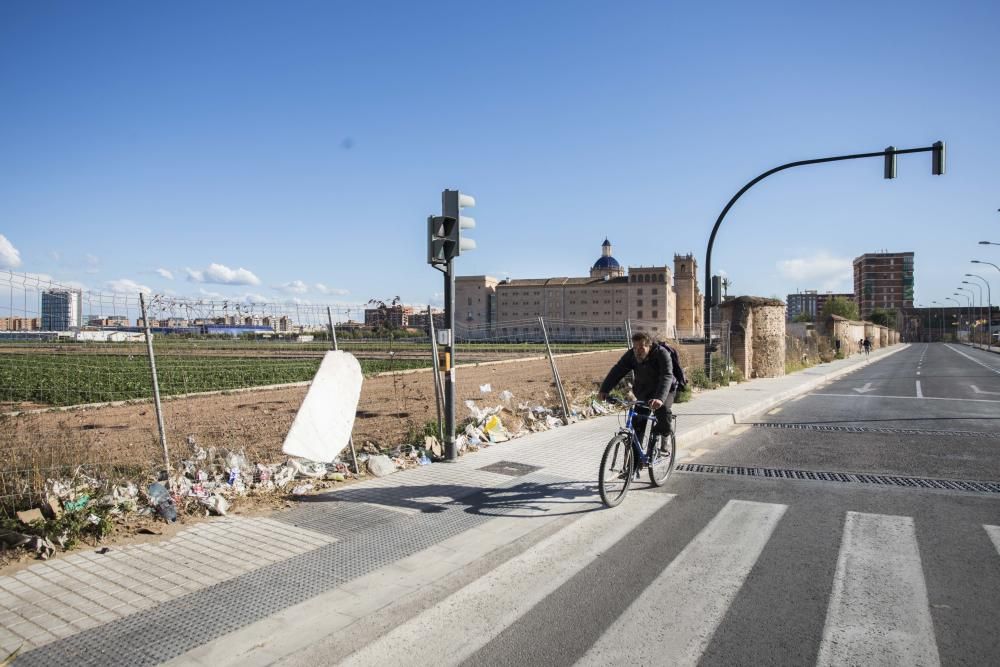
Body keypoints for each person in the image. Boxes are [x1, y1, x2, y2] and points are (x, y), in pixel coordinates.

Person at [597, 331, 676, 453]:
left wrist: (660, 398)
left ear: (649, 346)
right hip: (643, 391)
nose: (637, 351)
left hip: (664, 390)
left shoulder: (661, 353)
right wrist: (604, 390)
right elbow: (617, 371)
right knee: (637, 428)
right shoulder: (631, 356)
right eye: (635, 347)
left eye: (641, 347)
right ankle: (633, 467)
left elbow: (666, 376)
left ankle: (665, 435)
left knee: (663, 414)